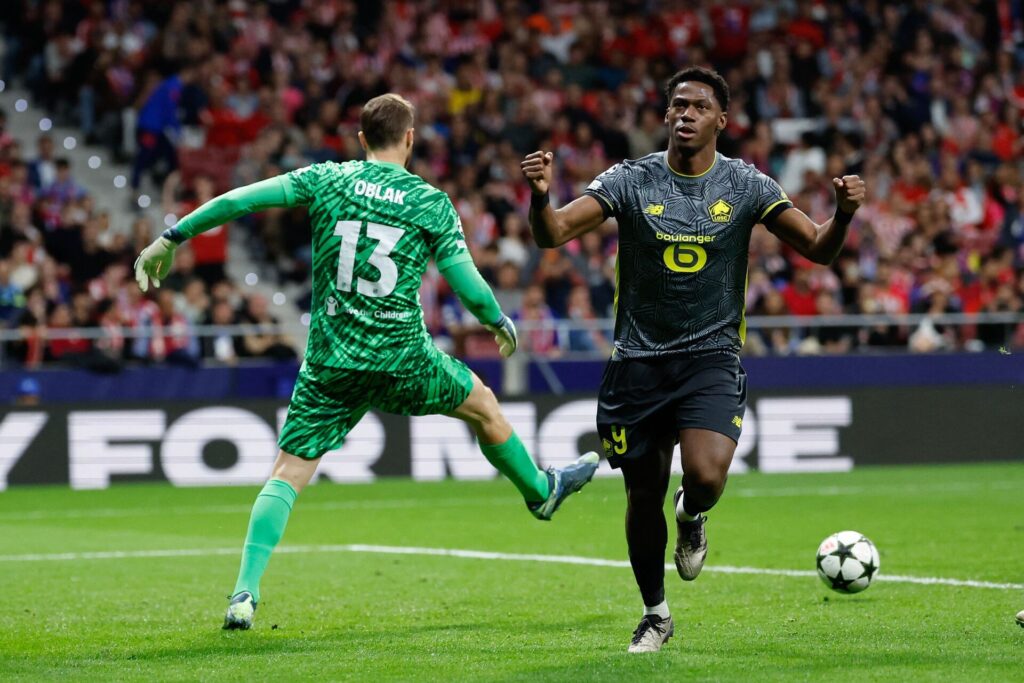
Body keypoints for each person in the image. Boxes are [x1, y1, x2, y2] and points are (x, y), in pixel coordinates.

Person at [134, 93, 600, 631]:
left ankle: (244, 593)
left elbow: (239, 200)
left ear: (360, 140)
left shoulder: (327, 179)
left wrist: (170, 237)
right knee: (484, 406)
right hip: (403, 358)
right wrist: (498, 319)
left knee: (286, 475)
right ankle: (540, 493)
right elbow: (466, 284)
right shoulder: (428, 201)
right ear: (410, 138)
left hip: (332, 364)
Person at [521, 66, 866, 653]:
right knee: (640, 495)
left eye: (699, 107)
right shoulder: (630, 180)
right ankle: (656, 614)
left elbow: (817, 248)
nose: (686, 114)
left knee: (704, 476)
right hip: (637, 364)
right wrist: (539, 197)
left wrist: (845, 214)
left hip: (710, 356)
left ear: (721, 121)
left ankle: (694, 514)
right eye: (677, 105)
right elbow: (552, 235)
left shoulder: (746, 185)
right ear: (664, 116)